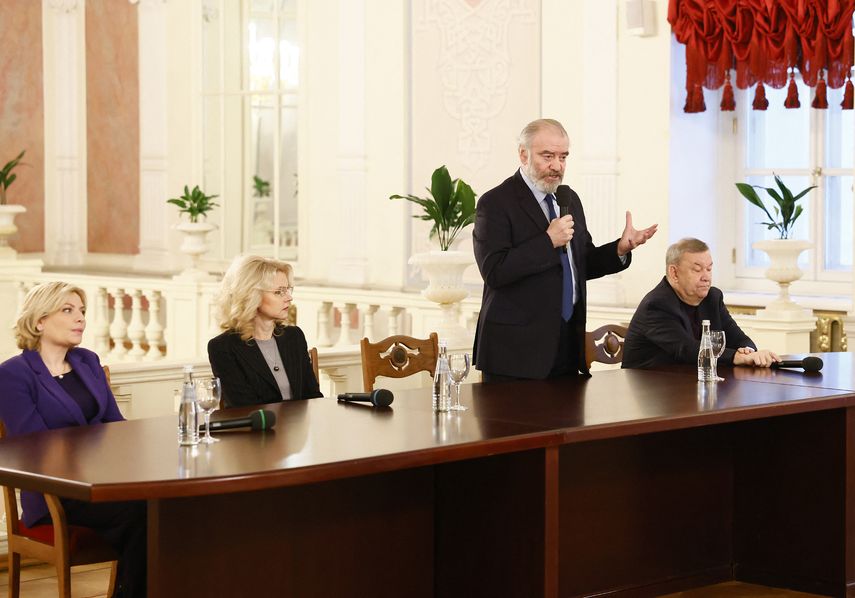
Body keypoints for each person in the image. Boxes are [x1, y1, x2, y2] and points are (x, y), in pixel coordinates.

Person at [473, 118, 658, 381]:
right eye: (547, 156)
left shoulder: (568, 200)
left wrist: (619, 248)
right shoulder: (495, 203)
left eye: (563, 157)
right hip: (515, 353)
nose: (557, 166)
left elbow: (579, 263)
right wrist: (547, 241)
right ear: (523, 154)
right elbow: (495, 271)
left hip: (567, 345)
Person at [0, 282, 146, 598]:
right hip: (56, 494)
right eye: (68, 310)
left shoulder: (87, 361)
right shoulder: (13, 374)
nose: (80, 318)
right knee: (141, 512)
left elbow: (115, 425)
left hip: (105, 483)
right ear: (39, 320)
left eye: (81, 311)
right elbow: (33, 446)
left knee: (167, 508)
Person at [622, 237, 780, 369]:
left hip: (688, 386)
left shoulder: (712, 298)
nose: (706, 277)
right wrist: (735, 357)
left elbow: (738, 338)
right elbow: (686, 349)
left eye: (709, 269)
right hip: (650, 392)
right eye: (697, 270)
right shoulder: (656, 305)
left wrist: (749, 352)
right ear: (674, 272)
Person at [208, 255, 323, 407]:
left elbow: (313, 397)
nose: (289, 297)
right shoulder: (223, 347)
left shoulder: (294, 336)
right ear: (251, 296)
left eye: (288, 290)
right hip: (257, 430)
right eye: (279, 292)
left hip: (298, 429)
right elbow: (244, 407)